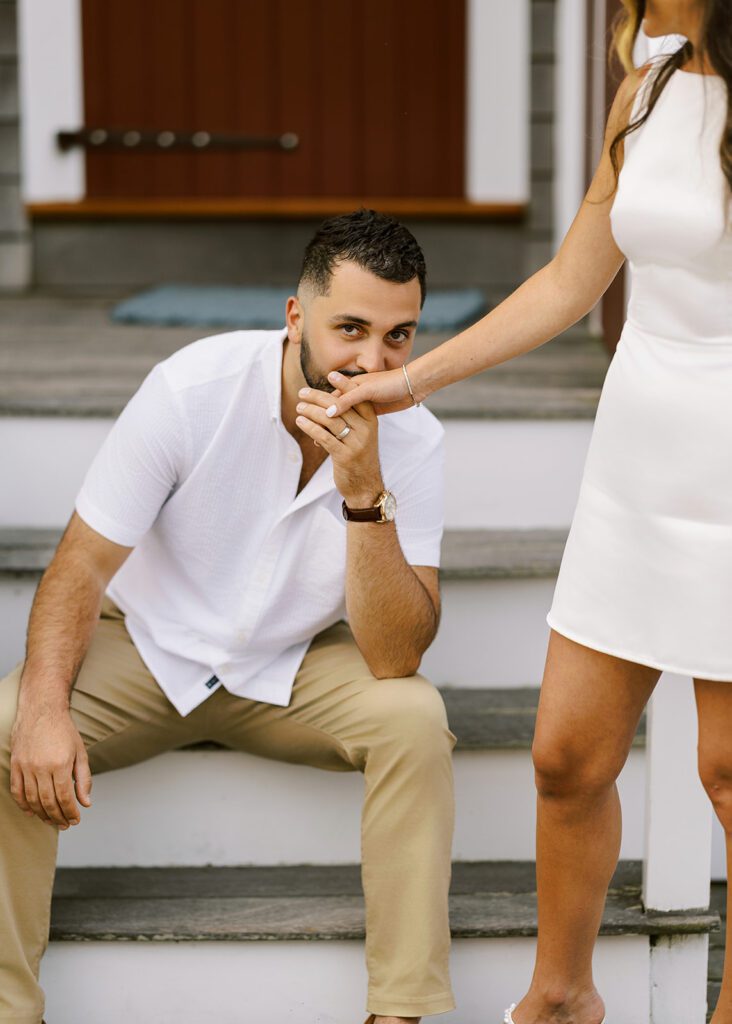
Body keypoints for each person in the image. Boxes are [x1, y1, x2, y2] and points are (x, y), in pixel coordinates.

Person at [318, 3, 732, 1022]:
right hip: (637, 454)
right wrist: (408, 383)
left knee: (727, 770)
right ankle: (561, 998)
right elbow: (570, 280)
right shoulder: (647, 81)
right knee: (565, 754)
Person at [0, 210, 456, 1024]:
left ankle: (399, 1012)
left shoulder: (414, 441)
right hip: (147, 648)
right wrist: (41, 711)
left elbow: (394, 656)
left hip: (289, 670)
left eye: (399, 337)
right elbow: (79, 567)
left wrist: (363, 497)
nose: (372, 362)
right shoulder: (191, 389)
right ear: (295, 317)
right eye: (350, 328)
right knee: (7, 724)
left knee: (414, 719)